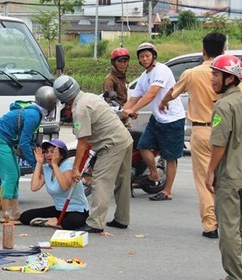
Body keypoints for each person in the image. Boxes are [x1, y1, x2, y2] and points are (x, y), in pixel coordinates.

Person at [159, 33, 226, 238]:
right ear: (223, 51)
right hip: (226, 131)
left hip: (202, 131)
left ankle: (210, 225)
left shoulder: (192, 73)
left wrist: (164, 102)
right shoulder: (227, 73)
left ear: (203, 50)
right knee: (225, 178)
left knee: (204, 179)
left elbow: (172, 92)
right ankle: (228, 222)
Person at [53, 75, 133, 233]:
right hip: (124, 138)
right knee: (123, 181)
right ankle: (122, 219)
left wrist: (76, 168)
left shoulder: (80, 110)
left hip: (110, 144)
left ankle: (95, 222)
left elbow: (83, 142)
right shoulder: (89, 96)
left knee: (100, 182)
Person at [122, 42, 186, 201]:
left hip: (172, 119)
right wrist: (124, 112)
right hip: (157, 118)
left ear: (153, 56)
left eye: (147, 56)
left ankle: (167, 191)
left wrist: (134, 109)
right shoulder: (144, 77)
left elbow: (151, 94)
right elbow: (134, 97)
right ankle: (155, 173)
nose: (144, 59)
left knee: (170, 156)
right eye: (141, 57)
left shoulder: (161, 70)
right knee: (143, 146)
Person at [0, 86, 57, 222]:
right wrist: (36, 165)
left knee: (16, 173)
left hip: (3, 141)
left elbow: (27, 140)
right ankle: (6, 215)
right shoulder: (34, 115)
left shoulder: (34, 112)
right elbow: (24, 143)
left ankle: (16, 211)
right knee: (10, 176)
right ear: (50, 105)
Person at [205, 54, 242, 280]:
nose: (212, 79)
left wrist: (210, 171)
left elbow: (219, 143)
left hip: (230, 176)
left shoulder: (223, 105)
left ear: (230, 79)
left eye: (216, 75)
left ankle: (235, 278)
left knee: (229, 229)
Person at [19, 139, 89, 230]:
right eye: (46, 152)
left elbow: (64, 186)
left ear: (61, 155)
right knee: (25, 217)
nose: (48, 154)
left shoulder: (68, 165)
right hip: (59, 209)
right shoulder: (47, 169)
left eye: (53, 152)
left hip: (77, 210)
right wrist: (39, 163)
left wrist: (55, 165)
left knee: (69, 223)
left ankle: (52, 222)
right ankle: (53, 221)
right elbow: (34, 187)